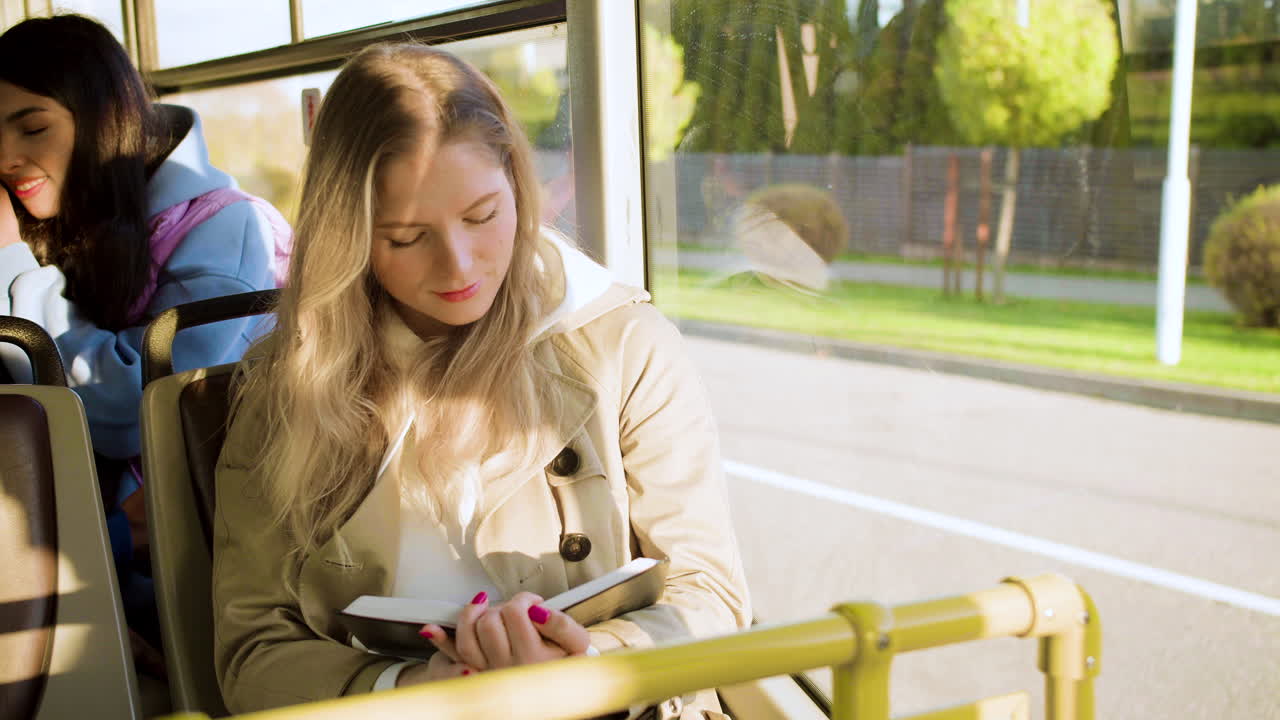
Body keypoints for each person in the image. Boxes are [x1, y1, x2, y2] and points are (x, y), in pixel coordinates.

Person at [213, 43, 750, 718]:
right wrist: (412, 691)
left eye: (483, 216)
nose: (459, 265)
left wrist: (584, 662)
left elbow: (712, 596)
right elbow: (252, 651)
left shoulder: (625, 347)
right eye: (407, 238)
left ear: (518, 187)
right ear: (348, 238)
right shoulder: (286, 383)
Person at [0, 14, 288, 661]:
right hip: (81, 538)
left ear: (100, 117)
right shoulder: (67, 216)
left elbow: (134, 413)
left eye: (33, 125)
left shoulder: (225, 227)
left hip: (204, 558)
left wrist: (12, 266)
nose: (6, 155)